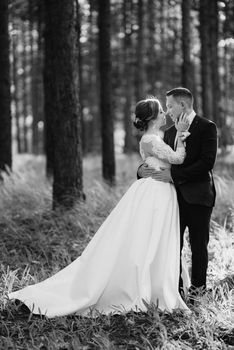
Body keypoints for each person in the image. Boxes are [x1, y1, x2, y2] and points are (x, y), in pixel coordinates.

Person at [8, 97, 190, 318]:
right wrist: (181, 135)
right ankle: (140, 285)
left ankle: (152, 283)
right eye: (161, 111)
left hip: (160, 192)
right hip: (155, 194)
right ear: (152, 117)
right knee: (146, 238)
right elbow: (178, 159)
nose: (164, 114)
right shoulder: (151, 139)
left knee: (152, 239)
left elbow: (159, 163)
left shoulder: (154, 138)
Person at [138, 88, 218, 301]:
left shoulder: (206, 127)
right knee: (173, 245)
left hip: (199, 196)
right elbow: (156, 155)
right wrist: (140, 170)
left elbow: (206, 162)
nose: (167, 110)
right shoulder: (170, 132)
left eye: (170, 105)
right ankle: (176, 290)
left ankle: (198, 292)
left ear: (183, 105)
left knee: (199, 245)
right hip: (172, 199)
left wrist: (174, 176)